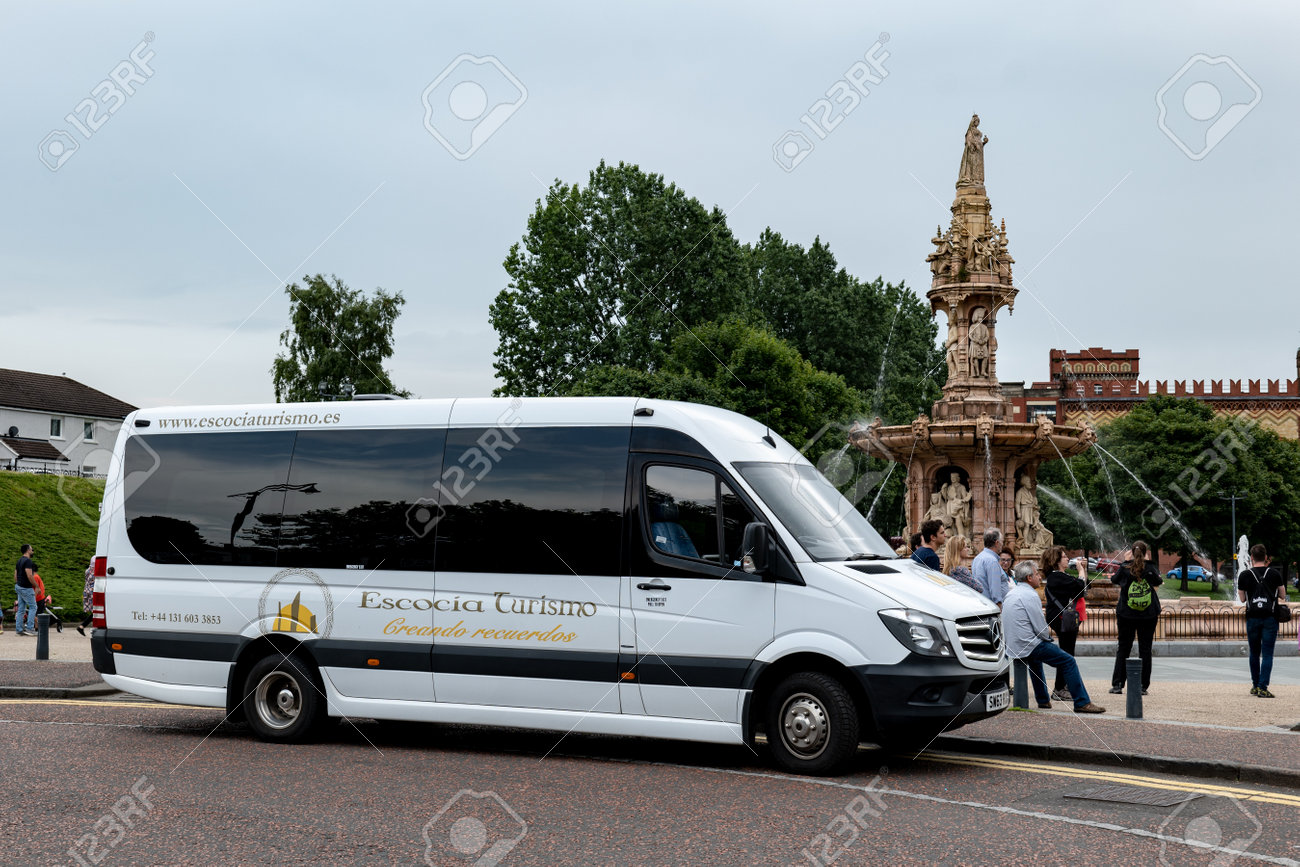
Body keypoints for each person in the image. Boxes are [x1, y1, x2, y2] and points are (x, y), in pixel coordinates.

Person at [1002, 560, 1105, 713]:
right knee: (1068, 661)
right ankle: (1082, 702)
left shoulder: (1013, 593)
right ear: (1029, 578)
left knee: (1035, 662)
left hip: (1013, 644)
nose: (1039, 577)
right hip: (1027, 644)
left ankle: (1043, 700)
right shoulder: (1030, 595)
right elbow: (1040, 627)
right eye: (1037, 574)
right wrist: (1048, 639)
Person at [1109, 541, 1163, 696]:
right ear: (1146, 553)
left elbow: (1114, 580)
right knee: (1145, 649)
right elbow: (1158, 581)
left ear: (1131, 552)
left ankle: (1118, 684)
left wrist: (1125, 561)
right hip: (1148, 614)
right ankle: (1142, 686)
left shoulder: (1125, 567)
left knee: (1124, 647)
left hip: (1127, 613)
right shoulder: (1151, 568)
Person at [1042, 546, 1089, 702]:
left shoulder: (1061, 576)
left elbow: (1083, 588)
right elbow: (1081, 587)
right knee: (1067, 654)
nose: (1068, 558)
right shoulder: (1056, 577)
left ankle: (1063, 687)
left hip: (1064, 617)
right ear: (1056, 560)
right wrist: (1081, 570)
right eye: (1064, 556)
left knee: (1067, 652)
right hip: (1062, 618)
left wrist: (1083, 570)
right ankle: (1060, 689)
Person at [1238, 544, 1286, 698]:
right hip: (1270, 618)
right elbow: (1283, 595)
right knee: (1267, 654)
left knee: (1254, 653)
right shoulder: (1274, 573)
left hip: (1252, 618)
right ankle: (1263, 687)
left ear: (1251, 558)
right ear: (1266, 558)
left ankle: (1254, 684)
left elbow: (1242, 598)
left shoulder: (1244, 575)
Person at [971, 527, 1006, 608]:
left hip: (981, 604)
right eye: (1002, 542)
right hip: (992, 607)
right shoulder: (992, 561)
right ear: (997, 543)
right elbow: (995, 589)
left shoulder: (978, 558)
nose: (1002, 544)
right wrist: (999, 607)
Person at [14, 543, 38, 637]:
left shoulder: (19, 561)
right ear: (28, 550)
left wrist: (19, 584)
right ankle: (30, 628)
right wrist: (36, 586)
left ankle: (19, 629)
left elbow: (15, 576)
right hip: (26, 588)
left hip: (19, 586)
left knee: (21, 609)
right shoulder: (28, 561)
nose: (32, 551)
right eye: (32, 549)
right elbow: (29, 575)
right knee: (33, 607)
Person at [78, 559, 95, 636]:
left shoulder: (87, 570)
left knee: (94, 611)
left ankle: (82, 626)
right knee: (96, 611)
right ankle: (83, 626)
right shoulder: (95, 572)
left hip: (87, 591)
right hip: (93, 592)